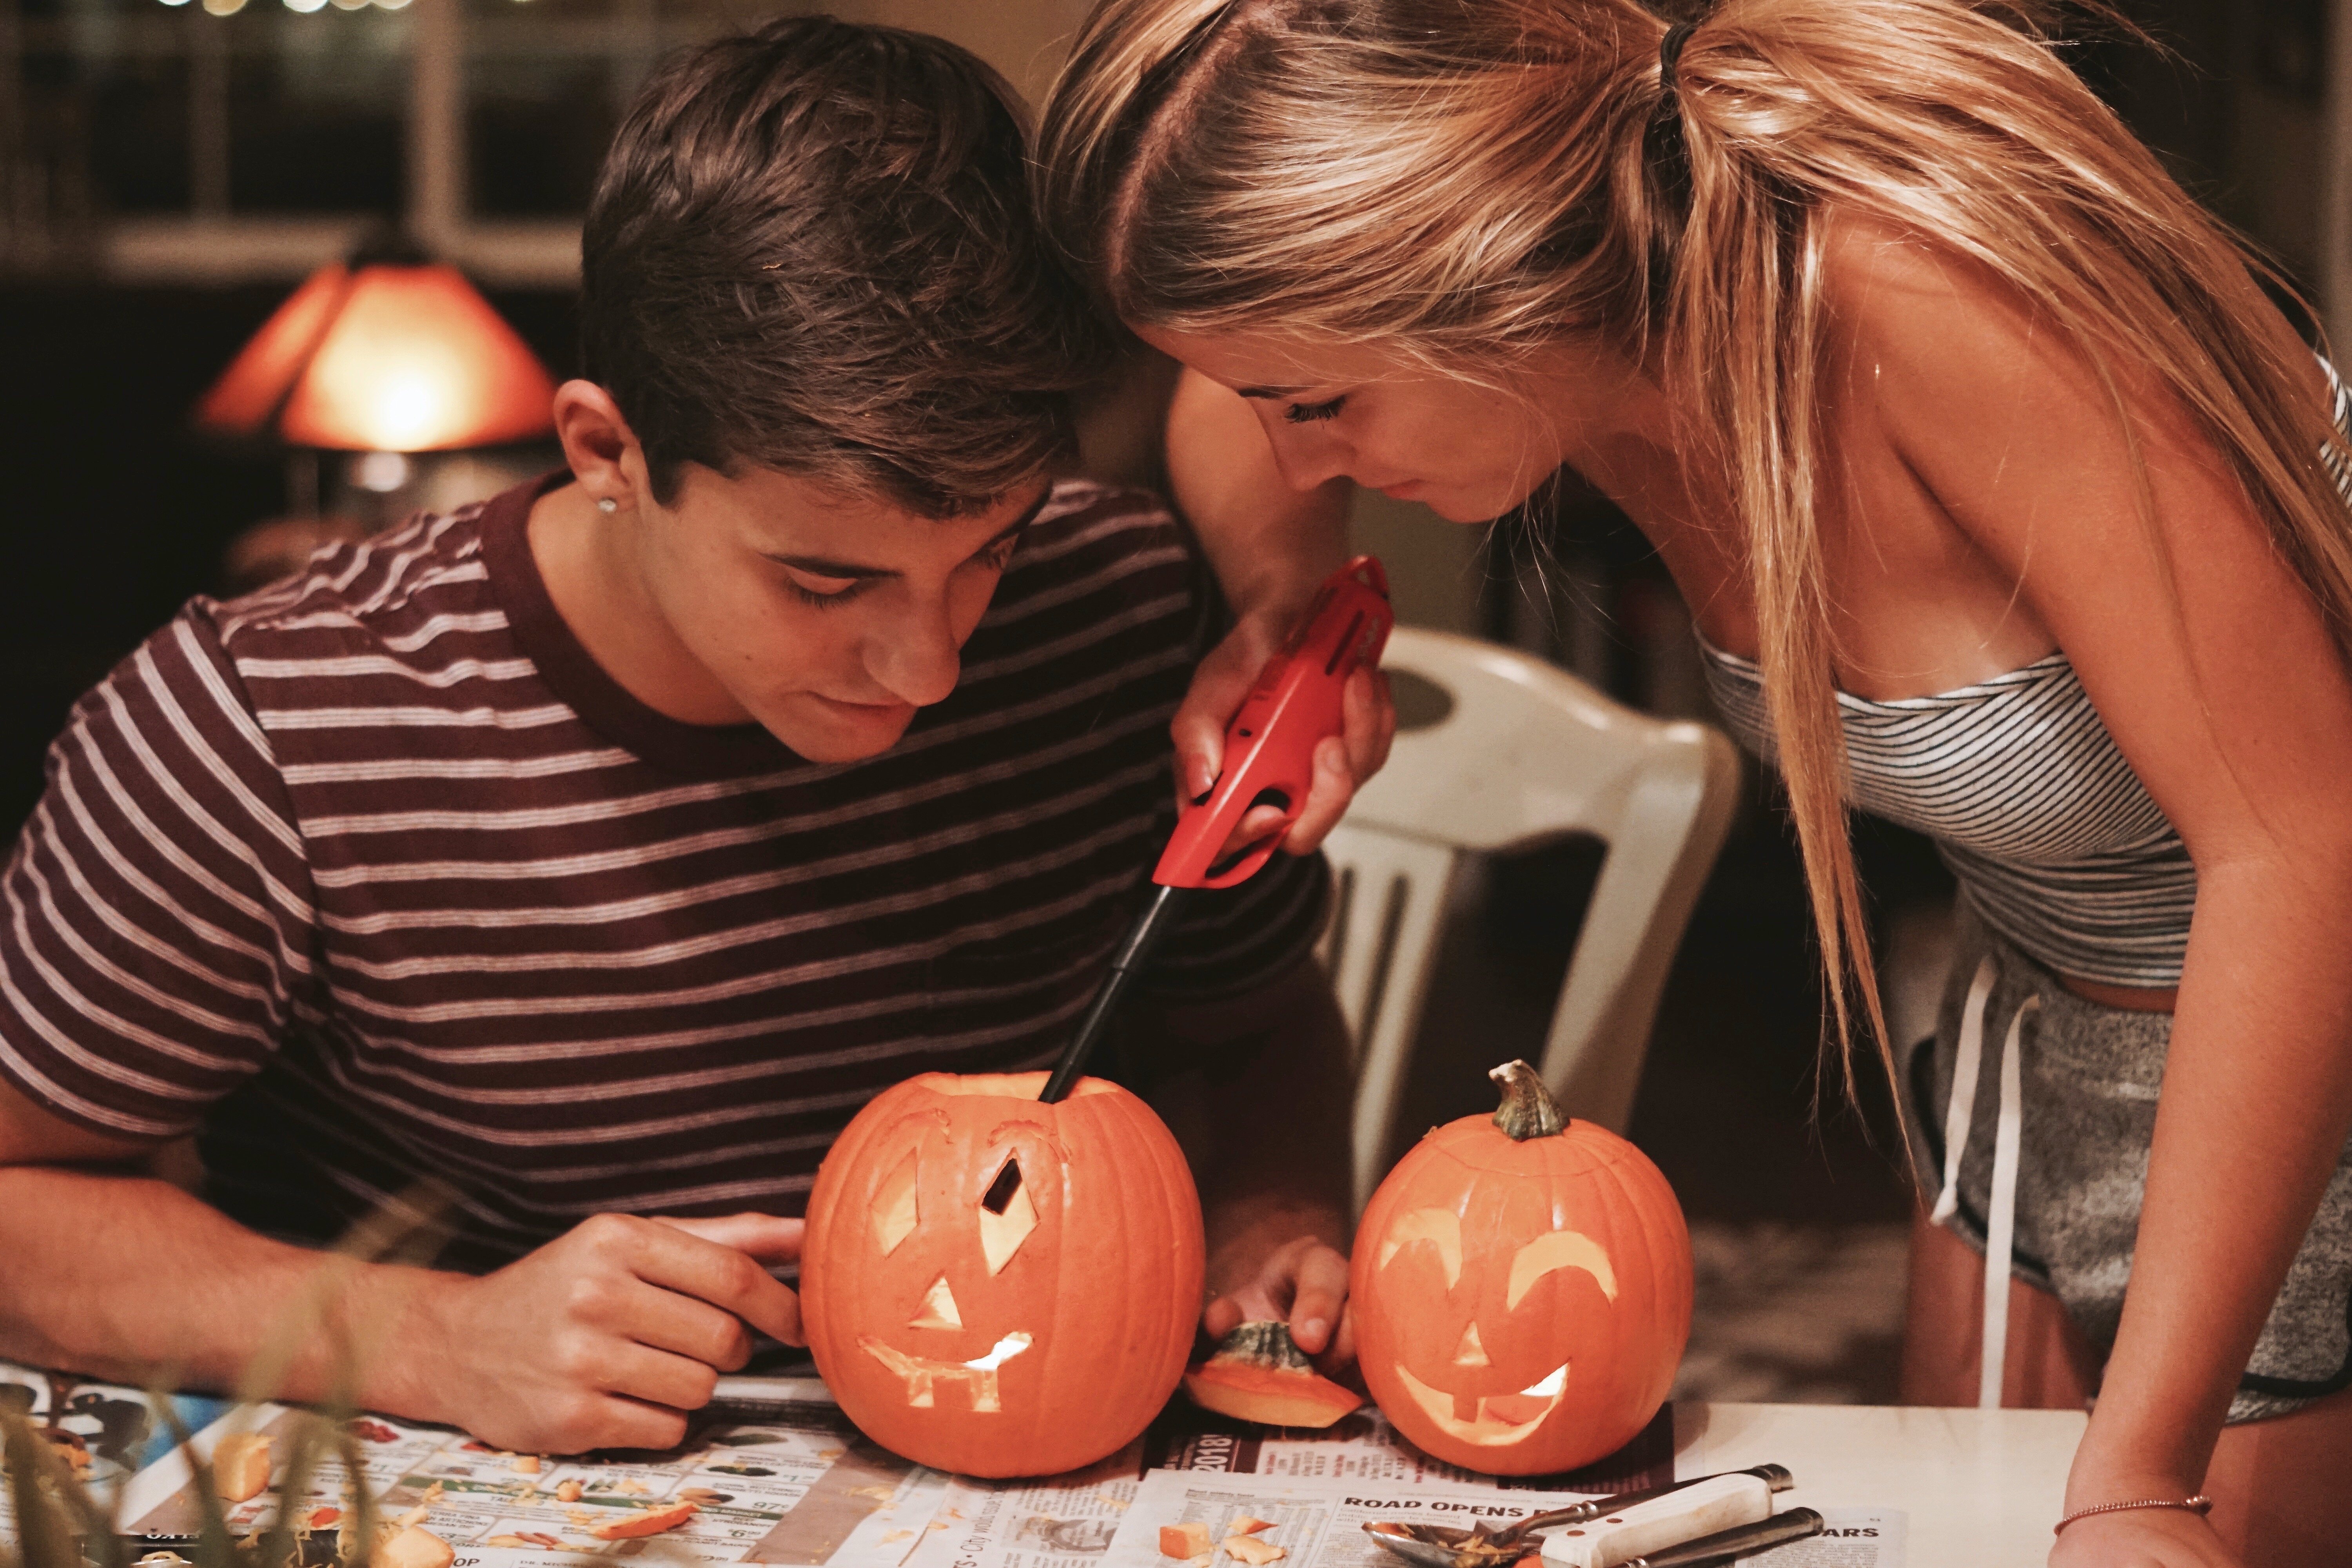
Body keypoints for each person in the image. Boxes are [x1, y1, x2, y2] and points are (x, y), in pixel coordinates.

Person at [1036, 1, 2352, 1563]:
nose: (1297, 451)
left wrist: (2139, 1477)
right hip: (2040, 1023)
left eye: (1319, 402)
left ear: (1491, 265)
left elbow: (2307, 844)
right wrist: (1285, 611)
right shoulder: (1602, 335)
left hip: (2296, 1039)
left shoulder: (1922, 289)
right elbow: (1230, 407)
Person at [0, 18, 1370, 1458]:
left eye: (990, 552)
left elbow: (1257, 1022)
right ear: (607, 452)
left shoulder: (1125, 610)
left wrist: (1273, 1208)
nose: (931, 664)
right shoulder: (258, 731)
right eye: (823, 580)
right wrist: (433, 1336)